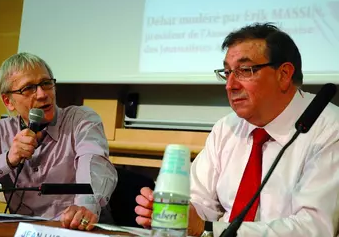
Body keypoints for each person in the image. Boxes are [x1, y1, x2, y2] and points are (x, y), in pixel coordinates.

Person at [135, 23, 339, 236]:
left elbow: (313, 228)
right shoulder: (226, 128)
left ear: (284, 74)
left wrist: (208, 229)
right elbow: (198, 201)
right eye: (227, 72)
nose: (230, 85)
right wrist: (173, 212)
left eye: (244, 70)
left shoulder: (329, 130)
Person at [0, 52, 118, 231]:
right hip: (24, 231)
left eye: (46, 83)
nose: (42, 94)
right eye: (28, 88)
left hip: (77, 229)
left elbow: (93, 164)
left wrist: (85, 207)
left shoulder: (81, 120)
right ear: (9, 101)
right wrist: (7, 159)